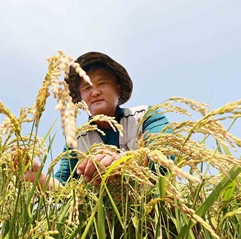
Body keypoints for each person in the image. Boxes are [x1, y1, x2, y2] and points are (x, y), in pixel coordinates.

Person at [24, 51, 170, 190]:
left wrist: (122, 161)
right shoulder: (77, 141)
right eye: (87, 88)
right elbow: (64, 188)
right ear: (81, 98)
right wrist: (39, 178)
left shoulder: (146, 116)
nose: (95, 92)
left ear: (118, 90)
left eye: (102, 83)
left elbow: (165, 155)